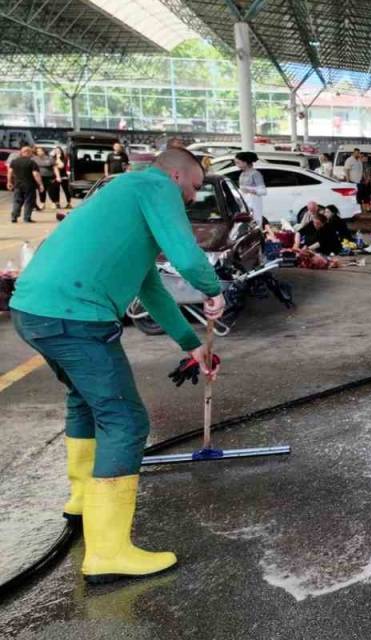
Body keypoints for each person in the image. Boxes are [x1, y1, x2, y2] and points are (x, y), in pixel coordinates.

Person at [9, 149, 225, 584]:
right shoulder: (155, 185)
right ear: (177, 174)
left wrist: (191, 344)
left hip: (32, 310)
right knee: (125, 420)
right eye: (194, 186)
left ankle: (81, 497)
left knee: (85, 401)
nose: (192, 196)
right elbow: (187, 255)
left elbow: (151, 288)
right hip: (73, 315)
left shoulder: (124, 196)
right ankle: (107, 552)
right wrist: (213, 289)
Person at [7, 146, 41, 223]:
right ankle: (26, 218)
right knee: (29, 201)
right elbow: (35, 174)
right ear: (28, 153)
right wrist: (40, 184)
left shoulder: (14, 161)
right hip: (29, 185)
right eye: (31, 153)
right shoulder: (31, 162)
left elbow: (9, 172)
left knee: (17, 201)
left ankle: (14, 217)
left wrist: (9, 182)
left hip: (18, 185)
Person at [234, 152, 267, 225]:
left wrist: (250, 190)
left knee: (254, 222)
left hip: (254, 203)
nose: (237, 165)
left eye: (238, 163)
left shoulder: (255, 174)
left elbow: (263, 191)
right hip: (245, 202)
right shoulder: (242, 174)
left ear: (245, 162)